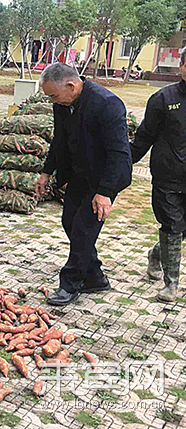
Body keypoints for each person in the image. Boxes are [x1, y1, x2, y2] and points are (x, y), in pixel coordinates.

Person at [35, 63, 132, 306]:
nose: (52, 101)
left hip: (105, 177)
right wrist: (46, 172)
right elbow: (59, 141)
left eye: (53, 95)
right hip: (79, 174)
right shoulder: (62, 105)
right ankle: (95, 277)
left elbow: (119, 153)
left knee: (82, 229)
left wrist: (105, 192)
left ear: (71, 85)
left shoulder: (107, 104)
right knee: (69, 221)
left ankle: (70, 283)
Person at [130, 48, 186, 302]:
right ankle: (171, 285)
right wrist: (122, 163)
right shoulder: (163, 99)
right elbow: (144, 137)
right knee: (172, 227)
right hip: (168, 177)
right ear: (181, 66)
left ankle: (156, 254)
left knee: (181, 229)